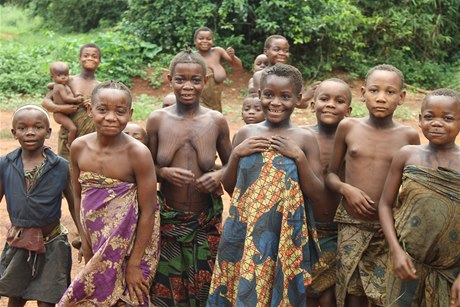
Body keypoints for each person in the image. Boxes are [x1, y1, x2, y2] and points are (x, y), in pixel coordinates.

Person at [207, 63, 323, 306]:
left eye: (285, 96)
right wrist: (237, 154)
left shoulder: (305, 139)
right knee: (242, 288)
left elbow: (317, 193)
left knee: (279, 291)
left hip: (285, 232)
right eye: (268, 95)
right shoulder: (246, 134)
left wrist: (299, 158)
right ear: (259, 94)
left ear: (298, 99)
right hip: (245, 228)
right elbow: (232, 189)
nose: (276, 102)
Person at [325, 64, 420, 307]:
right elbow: (331, 175)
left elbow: (413, 188)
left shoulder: (408, 136)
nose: (381, 98)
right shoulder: (348, 127)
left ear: (401, 97)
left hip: (385, 231)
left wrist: (397, 220)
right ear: (363, 92)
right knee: (352, 293)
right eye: (375, 90)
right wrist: (347, 189)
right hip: (351, 224)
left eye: (390, 92)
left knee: (384, 295)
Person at [59, 81, 160, 306]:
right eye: (102, 109)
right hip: (95, 242)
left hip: (133, 247)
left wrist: (134, 264)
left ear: (130, 113)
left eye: (120, 111)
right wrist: (84, 241)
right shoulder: (78, 147)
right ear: (89, 109)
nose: (111, 117)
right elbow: (78, 197)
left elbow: (148, 211)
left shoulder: (138, 153)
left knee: (128, 299)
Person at [147, 50, 232, 306]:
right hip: (168, 223)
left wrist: (218, 175)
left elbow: (232, 165)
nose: (188, 86)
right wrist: (163, 172)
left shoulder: (216, 121)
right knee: (166, 293)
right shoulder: (157, 120)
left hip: (205, 224)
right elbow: (144, 168)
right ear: (169, 79)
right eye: (180, 79)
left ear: (205, 81)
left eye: (195, 80)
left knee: (206, 292)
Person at [378, 88, 460, 307]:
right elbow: (385, 205)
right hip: (405, 264)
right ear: (420, 119)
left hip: (450, 270)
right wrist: (396, 251)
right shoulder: (407, 155)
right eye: (430, 116)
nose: (437, 123)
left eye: (448, 118)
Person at [0, 105, 76, 306]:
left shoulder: (60, 166)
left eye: (38, 127)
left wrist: (85, 239)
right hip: (19, 242)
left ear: (49, 132)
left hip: (52, 244)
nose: (30, 132)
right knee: (15, 297)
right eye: (23, 128)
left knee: (48, 299)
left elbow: (75, 205)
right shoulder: (5, 163)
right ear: (14, 133)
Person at [303, 78, 352, 307]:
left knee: (333, 295)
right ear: (312, 105)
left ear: (349, 111)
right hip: (305, 228)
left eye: (339, 101)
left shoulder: (354, 140)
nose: (331, 104)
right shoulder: (300, 136)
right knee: (308, 293)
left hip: (341, 229)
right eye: (324, 99)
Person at [42, 43, 101, 160]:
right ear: (79, 58)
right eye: (86, 55)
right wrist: (60, 108)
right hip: (68, 136)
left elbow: (105, 110)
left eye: (94, 56)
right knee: (66, 169)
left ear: (99, 61)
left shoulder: (101, 87)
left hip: (92, 137)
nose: (90, 58)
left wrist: (93, 105)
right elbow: (46, 102)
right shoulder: (67, 81)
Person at [249, 35, 317, 108]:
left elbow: (303, 105)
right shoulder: (259, 76)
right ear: (266, 51)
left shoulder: (294, 75)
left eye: (286, 51)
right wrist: (305, 97)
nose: (282, 53)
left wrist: (308, 95)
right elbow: (265, 103)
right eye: (276, 49)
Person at [194, 26, 243, 112]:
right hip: (199, 102)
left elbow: (238, 67)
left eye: (208, 39)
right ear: (195, 41)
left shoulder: (217, 52)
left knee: (215, 120)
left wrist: (233, 56)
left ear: (212, 41)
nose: (205, 41)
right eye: (201, 38)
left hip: (216, 102)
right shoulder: (192, 57)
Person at [49, 61, 84, 149]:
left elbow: (69, 95)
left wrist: (76, 95)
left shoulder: (64, 85)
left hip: (64, 113)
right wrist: (76, 99)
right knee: (73, 129)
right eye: (59, 75)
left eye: (66, 75)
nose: (63, 77)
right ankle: (70, 144)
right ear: (52, 77)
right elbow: (66, 98)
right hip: (60, 114)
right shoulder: (59, 86)